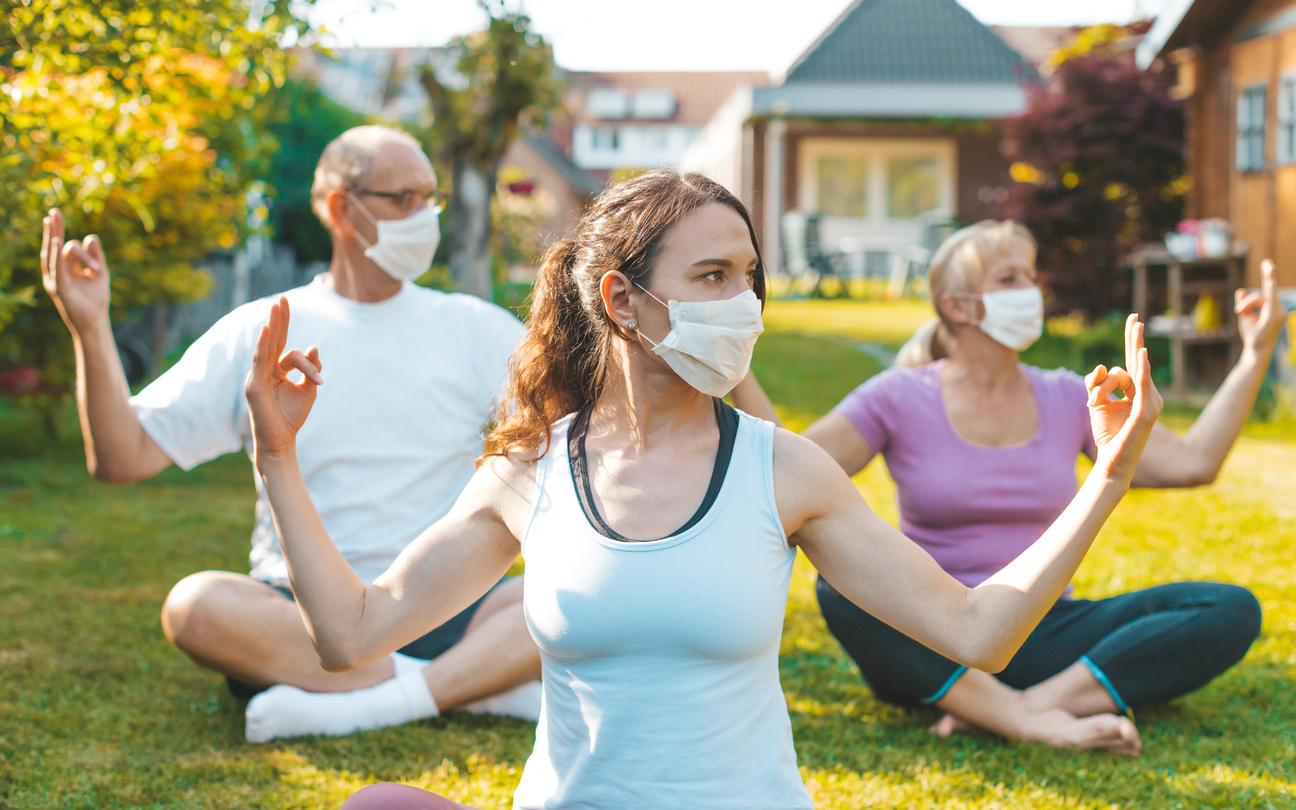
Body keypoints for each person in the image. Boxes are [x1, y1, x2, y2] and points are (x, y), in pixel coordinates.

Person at [241, 170, 1161, 809]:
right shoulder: (531, 470)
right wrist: (278, 457)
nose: (745, 304)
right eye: (713, 277)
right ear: (622, 300)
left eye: (749, 277)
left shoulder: (782, 467)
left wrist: (1110, 472)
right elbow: (349, 634)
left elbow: (979, 634)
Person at [39, 125, 543, 743]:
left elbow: (573, 434)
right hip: (303, 614)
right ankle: (468, 684)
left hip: (444, 599)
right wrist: (90, 328)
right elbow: (122, 457)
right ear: (341, 207)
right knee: (195, 607)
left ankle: (380, 699)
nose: (426, 215)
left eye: (430, 199)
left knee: (562, 587)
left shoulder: (475, 327)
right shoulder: (260, 326)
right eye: (404, 198)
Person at [801, 220, 1283, 755]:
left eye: (1031, 275)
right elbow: (791, 472)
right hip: (932, 634)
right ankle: (1027, 717)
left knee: (1227, 608)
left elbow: (1194, 462)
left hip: (1043, 628)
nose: (1031, 290)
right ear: (958, 307)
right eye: (1010, 278)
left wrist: (1254, 354)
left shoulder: (1066, 395)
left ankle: (1017, 707)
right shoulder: (896, 396)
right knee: (839, 581)